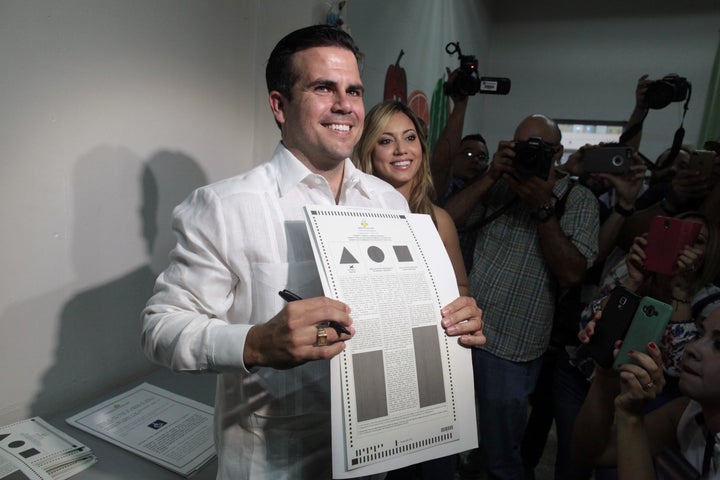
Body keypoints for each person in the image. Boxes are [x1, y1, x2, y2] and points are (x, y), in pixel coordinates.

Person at [141, 25, 486, 480]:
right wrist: (255, 343)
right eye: (324, 88)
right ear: (280, 106)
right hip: (274, 464)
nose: (345, 104)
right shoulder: (225, 207)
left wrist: (452, 317)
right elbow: (160, 328)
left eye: (354, 90)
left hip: (375, 461)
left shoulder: (388, 203)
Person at [445, 114, 600, 479]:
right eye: (520, 146)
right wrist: (491, 176)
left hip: (514, 347)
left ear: (558, 153)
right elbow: (443, 224)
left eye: (538, 148)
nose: (528, 155)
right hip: (464, 333)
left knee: (501, 453)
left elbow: (573, 273)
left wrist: (543, 209)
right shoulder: (498, 185)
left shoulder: (579, 201)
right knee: (450, 439)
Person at [354, 100, 478, 479]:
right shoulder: (349, 217)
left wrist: (464, 310)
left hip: (429, 367)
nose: (401, 149)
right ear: (368, 151)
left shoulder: (438, 221)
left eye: (410, 138)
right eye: (386, 140)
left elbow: (459, 286)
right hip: (371, 370)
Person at [572, 306, 720, 479]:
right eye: (700, 334)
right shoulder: (691, 413)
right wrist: (606, 377)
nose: (692, 348)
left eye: (718, 344)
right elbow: (592, 453)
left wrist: (631, 417)